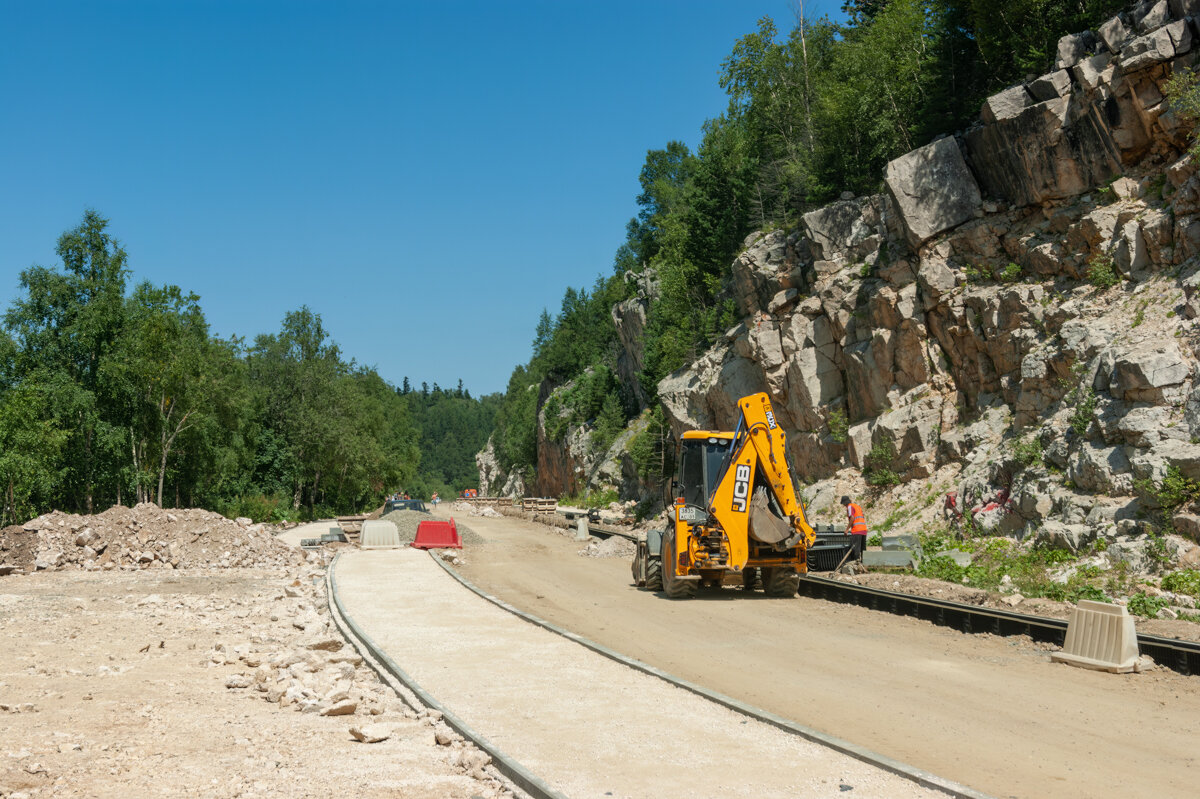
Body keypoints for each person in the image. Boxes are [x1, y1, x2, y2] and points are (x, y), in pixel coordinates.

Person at [841, 495, 869, 561]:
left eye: (843, 504)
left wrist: (847, 529)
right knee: (863, 549)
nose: (844, 506)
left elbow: (852, 518)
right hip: (863, 529)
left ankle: (856, 564)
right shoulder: (857, 506)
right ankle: (864, 563)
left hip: (857, 530)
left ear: (845, 503)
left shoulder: (850, 506)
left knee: (856, 548)